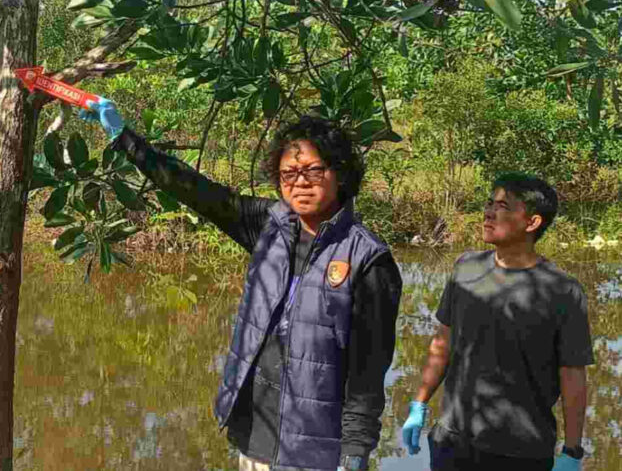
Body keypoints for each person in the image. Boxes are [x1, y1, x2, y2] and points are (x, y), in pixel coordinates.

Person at [79, 97, 403, 471]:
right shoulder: (269, 225)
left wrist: (355, 454)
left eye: (312, 171)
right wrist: (124, 137)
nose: (299, 183)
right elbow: (194, 190)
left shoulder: (368, 260)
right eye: (288, 174)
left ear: (340, 173)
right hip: (255, 436)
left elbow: (368, 373)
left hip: (316, 452)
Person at [402, 173, 594, 471]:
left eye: (503, 206)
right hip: (451, 442)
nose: (489, 212)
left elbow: (573, 375)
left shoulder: (562, 290)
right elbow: (443, 342)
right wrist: (419, 403)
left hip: (521, 451)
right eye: (489, 203)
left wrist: (572, 451)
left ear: (532, 222)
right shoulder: (466, 268)